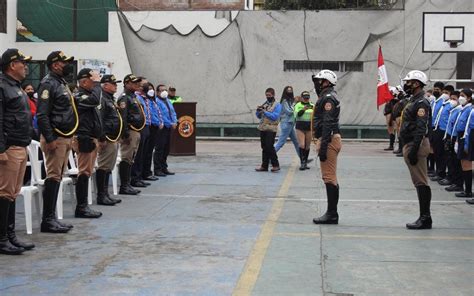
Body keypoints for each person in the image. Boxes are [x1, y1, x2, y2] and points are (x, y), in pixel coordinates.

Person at [36, 51, 77, 233]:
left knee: (58, 176)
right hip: (56, 137)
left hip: (65, 136)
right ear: (54, 65)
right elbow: (42, 114)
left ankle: (52, 217)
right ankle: (47, 220)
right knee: (53, 177)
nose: (67, 64)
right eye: (63, 62)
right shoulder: (48, 83)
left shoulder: (61, 82)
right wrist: (50, 138)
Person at [0, 48, 35, 255]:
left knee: (12, 193)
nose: (25, 66)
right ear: (12, 65)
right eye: (23, 62)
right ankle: (2, 238)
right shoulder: (3, 86)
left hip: (20, 145)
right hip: (9, 147)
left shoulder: (16, 87)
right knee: (4, 193)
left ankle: (10, 235)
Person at [399, 70, 432, 230]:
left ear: (417, 84)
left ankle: (425, 218)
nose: (407, 85)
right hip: (411, 143)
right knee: (418, 181)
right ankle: (424, 216)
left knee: (421, 181)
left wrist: (414, 149)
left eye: (409, 82)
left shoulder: (421, 103)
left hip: (415, 144)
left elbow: (421, 127)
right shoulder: (414, 100)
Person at [311, 70, 342, 224]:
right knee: (331, 177)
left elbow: (328, 123)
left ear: (327, 82)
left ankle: (332, 214)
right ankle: (332, 212)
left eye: (320, 81)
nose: (317, 83)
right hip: (328, 139)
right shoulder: (326, 96)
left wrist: (323, 147)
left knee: (329, 177)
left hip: (328, 139)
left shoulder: (328, 98)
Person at [96, 74, 123, 205]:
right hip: (107, 137)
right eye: (113, 84)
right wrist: (102, 137)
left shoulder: (110, 98)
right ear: (105, 85)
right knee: (104, 165)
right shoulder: (103, 99)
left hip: (113, 137)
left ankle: (105, 193)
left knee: (109, 166)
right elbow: (100, 119)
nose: (115, 86)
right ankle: (101, 195)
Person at [118, 74, 145, 195]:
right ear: (126, 83)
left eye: (138, 83)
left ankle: (127, 184)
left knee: (131, 158)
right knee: (126, 157)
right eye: (134, 83)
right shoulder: (124, 97)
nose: (137, 85)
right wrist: (125, 133)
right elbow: (123, 117)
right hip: (130, 131)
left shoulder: (133, 96)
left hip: (136, 130)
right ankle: (124, 186)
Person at [130, 81, 153, 187]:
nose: (145, 85)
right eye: (143, 83)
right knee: (138, 153)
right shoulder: (136, 98)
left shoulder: (144, 98)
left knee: (143, 153)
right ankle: (135, 177)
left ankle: (140, 176)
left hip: (147, 125)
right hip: (140, 127)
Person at [255, 88, 282, 172]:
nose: (268, 97)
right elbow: (259, 117)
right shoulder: (265, 104)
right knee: (264, 147)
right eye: (266, 95)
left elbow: (275, 117)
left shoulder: (277, 105)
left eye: (269, 95)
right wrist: (258, 111)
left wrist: (265, 112)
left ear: (273, 95)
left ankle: (276, 165)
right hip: (263, 127)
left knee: (269, 146)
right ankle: (264, 165)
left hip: (271, 128)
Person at [430, 85, 453, 181]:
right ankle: (439, 172)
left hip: (445, 131)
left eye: (446, 93)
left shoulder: (451, 105)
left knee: (443, 154)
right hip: (437, 128)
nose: (444, 95)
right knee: (437, 152)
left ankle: (442, 173)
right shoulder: (441, 103)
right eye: (443, 92)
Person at [154, 85, 177, 176]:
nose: (164, 92)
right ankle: (157, 169)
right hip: (162, 127)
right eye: (162, 90)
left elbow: (172, 112)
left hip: (169, 127)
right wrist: (170, 123)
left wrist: (175, 121)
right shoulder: (156, 101)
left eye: (165, 90)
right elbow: (161, 115)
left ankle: (164, 167)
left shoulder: (167, 100)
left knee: (166, 149)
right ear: (157, 92)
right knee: (160, 148)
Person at [454, 89, 473, 199]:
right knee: (463, 164)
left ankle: (468, 191)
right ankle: (466, 189)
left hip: (466, 138)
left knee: (466, 165)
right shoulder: (463, 109)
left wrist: (466, 144)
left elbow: (468, 128)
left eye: (463, 96)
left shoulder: (469, 110)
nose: (460, 98)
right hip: (461, 137)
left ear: (469, 98)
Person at [142, 83, 163, 180]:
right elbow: (150, 114)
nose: (151, 91)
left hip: (155, 126)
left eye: (152, 89)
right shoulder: (145, 100)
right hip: (150, 126)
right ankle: (145, 172)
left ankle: (148, 171)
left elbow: (157, 113)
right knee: (146, 152)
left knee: (150, 151)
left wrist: (160, 122)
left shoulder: (152, 101)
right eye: (149, 89)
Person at [274, 86, 300, 158]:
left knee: (296, 142)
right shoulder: (284, 101)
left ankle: (303, 159)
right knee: (280, 143)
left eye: (291, 90)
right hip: (286, 124)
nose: (290, 92)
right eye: (288, 90)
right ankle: (270, 156)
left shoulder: (290, 101)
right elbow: (289, 112)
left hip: (291, 124)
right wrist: (295, 103)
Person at [294, 91, 314, 170]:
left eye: (307, 98)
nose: (306, 99)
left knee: (307, 146)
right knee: (302, 144)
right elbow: (296, 115)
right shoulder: (298, 105)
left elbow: (315, 116)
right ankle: (302, 163)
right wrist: (303, 109)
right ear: (301, 98)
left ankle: (305, 162)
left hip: (309, 127)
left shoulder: (312, 105)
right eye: (305, 98)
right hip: (300, 126)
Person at [383, 86, 398, 150]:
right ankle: (391, 145)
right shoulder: (389, 101)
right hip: (388, 116)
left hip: (391, 117)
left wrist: (391, 119)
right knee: (390, 131)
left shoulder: (393, 101)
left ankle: (391, 145)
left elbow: (392, 110)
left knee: (392, 130)